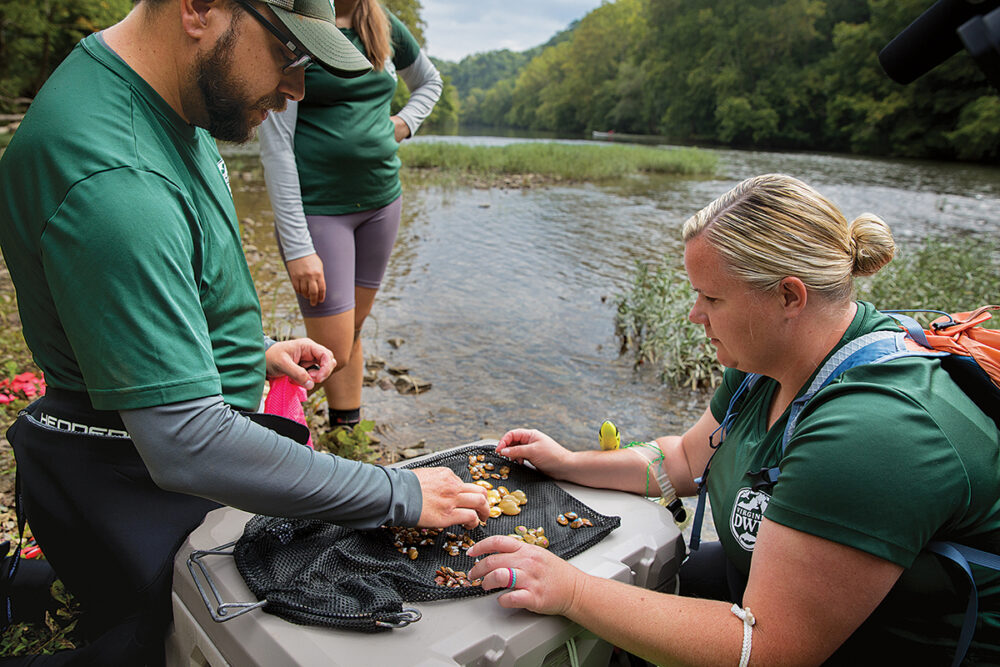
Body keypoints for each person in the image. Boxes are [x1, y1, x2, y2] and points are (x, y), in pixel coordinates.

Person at [0, 0, 487, 663]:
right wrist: (394, 493)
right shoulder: (116, 178)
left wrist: (251, 355)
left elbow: (138, 299)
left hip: (161, 447)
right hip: (141, 480)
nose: (297, 89)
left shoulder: (174, 96)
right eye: (289, 53)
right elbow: (186, 443)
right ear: (198, 8)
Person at [466, 174, 1000, 665]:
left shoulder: (873, 431)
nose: (695, 315)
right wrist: (565, 462)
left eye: (711, 297)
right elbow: (684, 460)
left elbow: (771, 648)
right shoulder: (767, 360)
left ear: (790, 296)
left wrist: (572, 589)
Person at [258, 0, 442, 430]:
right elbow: (277, 149)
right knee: (334, 348)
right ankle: (256, 419)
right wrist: (299, 246)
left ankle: (345, 430)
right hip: (320, 210)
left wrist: (404, 123)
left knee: (354, 330)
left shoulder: (383, 24)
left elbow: (429, 82)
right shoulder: (299, 22)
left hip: (382, 202)